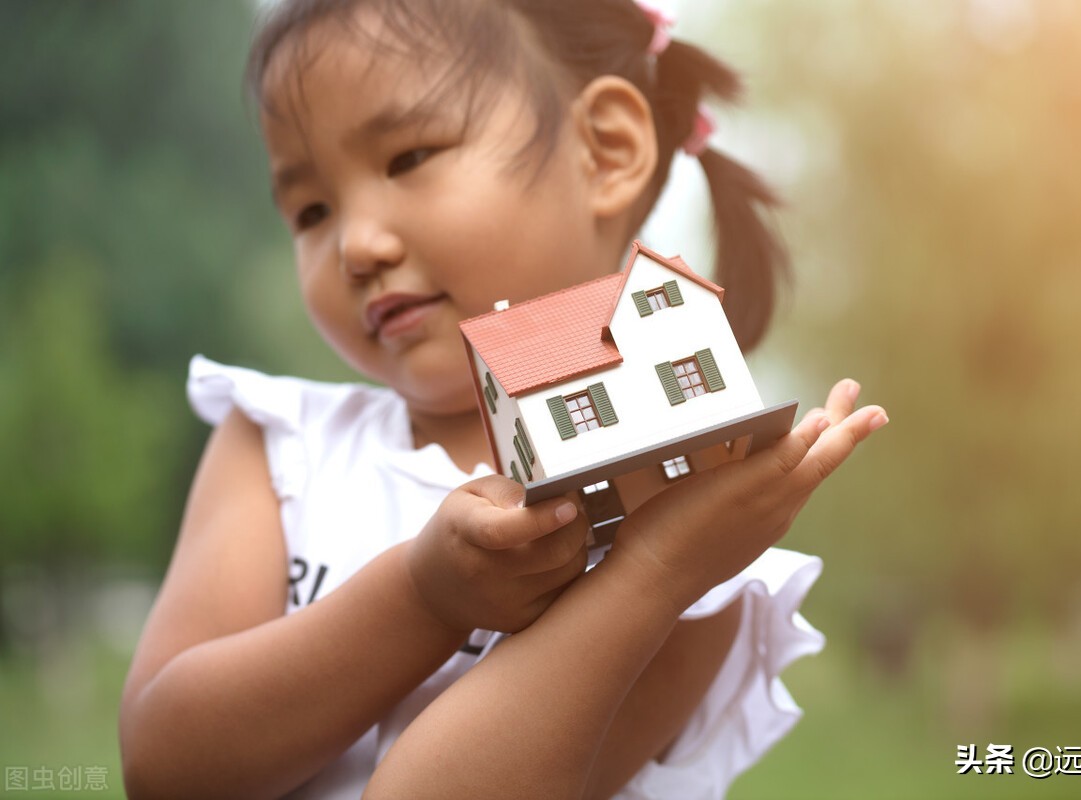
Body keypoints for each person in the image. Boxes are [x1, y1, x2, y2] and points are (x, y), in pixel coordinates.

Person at [118, 1, 889, 797]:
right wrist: (421, 599)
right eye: (311, 210)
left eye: (409, 156)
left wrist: (650, 569)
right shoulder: (278, 445)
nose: (355, 246)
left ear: (606, 151)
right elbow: (164, 767)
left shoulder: (690, 526)